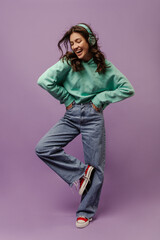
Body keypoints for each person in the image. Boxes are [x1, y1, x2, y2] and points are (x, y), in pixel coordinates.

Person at [35, 23, 135, 228]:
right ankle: (81, 175)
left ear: (89, 40)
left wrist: (101, 99)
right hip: (71, 114)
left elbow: (127, 88)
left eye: (78, 41)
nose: (75, 46)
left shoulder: (104, 65)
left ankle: (85, 212)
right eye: (72, 43)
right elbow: (44, 80)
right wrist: (66, 98)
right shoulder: (68, 62)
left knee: (96, 166)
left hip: (93, 116)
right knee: (43, 147)